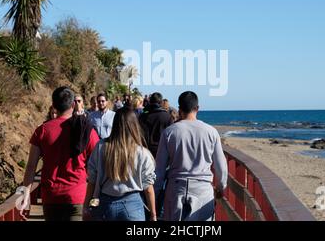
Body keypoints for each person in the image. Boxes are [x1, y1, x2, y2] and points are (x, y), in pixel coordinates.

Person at [21, 87, 100, 221]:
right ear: (73, 105)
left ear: (53, 106)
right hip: (78, 195)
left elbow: (31, 166)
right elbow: (98, 162)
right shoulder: (86, 130)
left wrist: (25, 194)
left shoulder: (42, 131)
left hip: (51, 197)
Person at [154, 91, 228, 221]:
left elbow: (159, 169)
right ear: (197, 108)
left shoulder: (169, 132)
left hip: (176, 189)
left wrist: (155, 192)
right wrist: (221, 187)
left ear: (180, 109)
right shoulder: (211, 132)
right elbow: (221, 166)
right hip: (203, 189)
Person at [83, 107, 157, 221]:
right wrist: (153, 214)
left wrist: (86, 206)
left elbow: (92, 180)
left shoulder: (101, 147)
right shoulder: (143, 153)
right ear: (134, 126)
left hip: (104, 205)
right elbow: (148, 188)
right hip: (133, 206)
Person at [139, 92, 173, 158]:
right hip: (162, 151)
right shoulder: (167, 117)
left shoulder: (143, 116)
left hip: (145, 150)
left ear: (150, 101)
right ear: (161, 103)